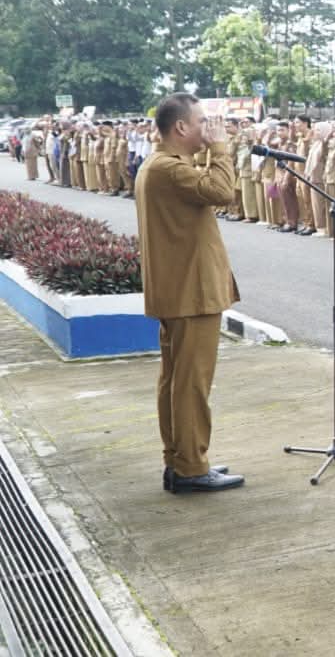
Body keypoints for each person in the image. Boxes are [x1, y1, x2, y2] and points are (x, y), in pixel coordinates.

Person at [134, 93, 244, 493]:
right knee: (191, 383)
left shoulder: (162, 165)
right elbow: (221, 191)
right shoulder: (169, 169)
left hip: (179, 291)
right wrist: (219, 149)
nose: (209, 127)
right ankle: (192, 466)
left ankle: (181, 457)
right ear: (181, 127)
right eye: (202, 121)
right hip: (191, 293)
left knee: (176, 380)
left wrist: (209, 149)